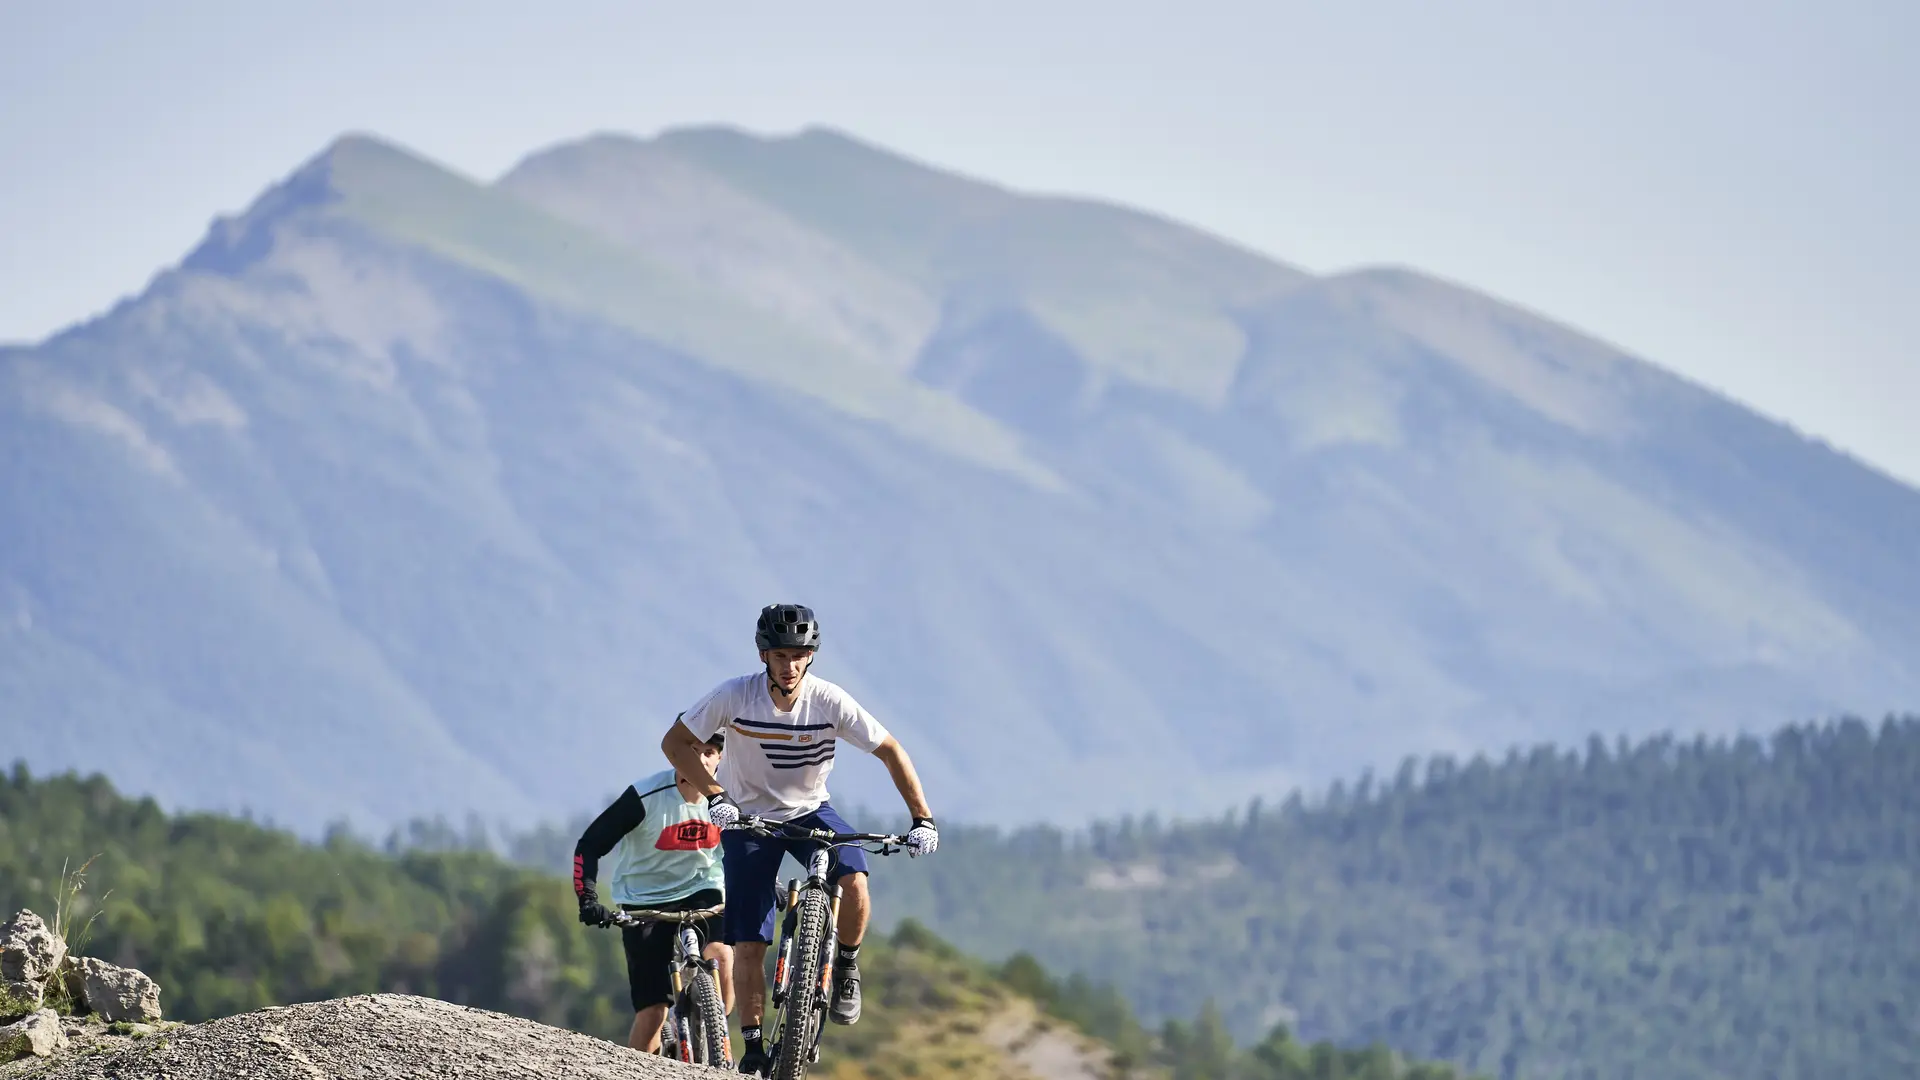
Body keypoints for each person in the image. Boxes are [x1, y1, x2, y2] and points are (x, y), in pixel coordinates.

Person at [661, 603, 938, 1076]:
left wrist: (923, 818)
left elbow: (890, 750)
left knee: (855, 882)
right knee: (748, 943)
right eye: (779, 655)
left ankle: (846, 966)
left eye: (798, 655)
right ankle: (751, 1044)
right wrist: (715, 795)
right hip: (747, 819)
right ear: (762, 655)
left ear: (810, 657)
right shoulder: (734, 696)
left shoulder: (829, 700)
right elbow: (674, 743)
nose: (789, 666)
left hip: (811, 810)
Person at [574, 731, 733, 1055]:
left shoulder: (730, 798)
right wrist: (588, 899)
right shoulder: (645, 796)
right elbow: (589, 845)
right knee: (652, 1014)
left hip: (703, 889)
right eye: (692, 750)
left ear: (720, 758)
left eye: (709, 752)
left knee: (723, 956)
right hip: (644, 900)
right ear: (677, 755)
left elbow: (752, 848)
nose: (701, 760)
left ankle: (716, 1032)